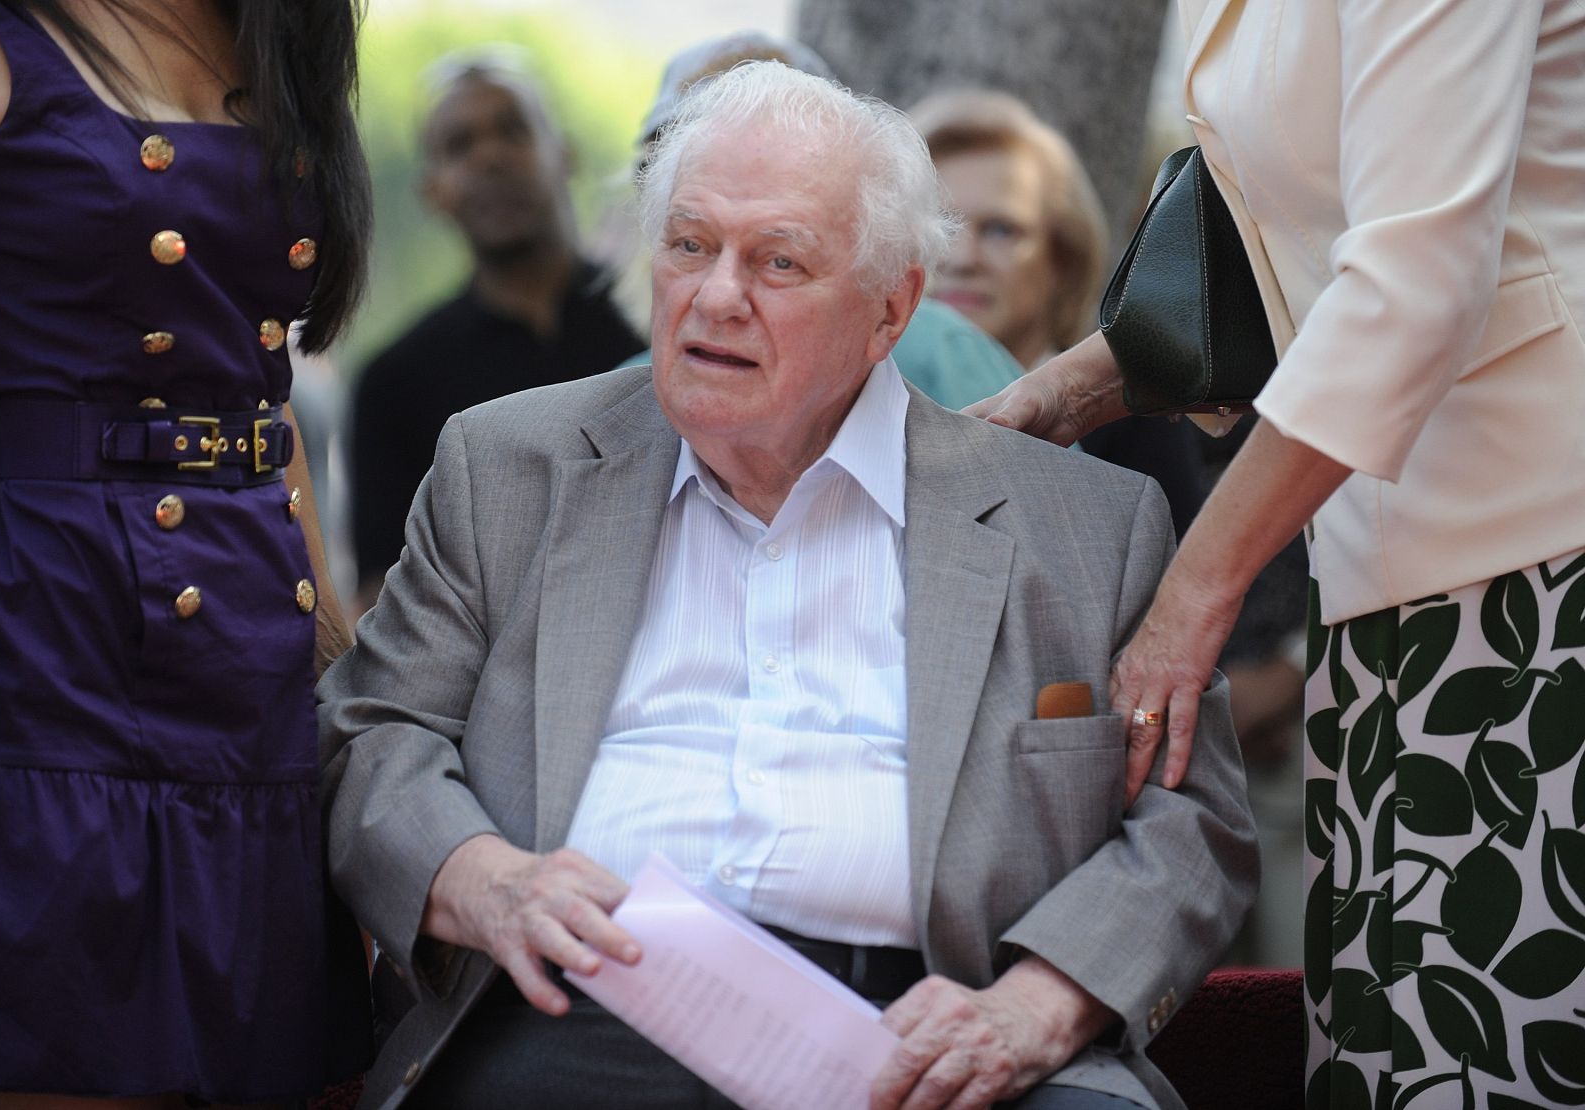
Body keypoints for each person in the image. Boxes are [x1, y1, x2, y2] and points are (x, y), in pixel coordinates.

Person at [320, 61, 1257, 1110]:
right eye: (689, 245)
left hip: (952, 1025)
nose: (715, 296)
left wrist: (1033, 1009)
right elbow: (370, 727)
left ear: (890, 308)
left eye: (777, 262)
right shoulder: (508, 468)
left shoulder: (1078, 523)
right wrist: (481, 879)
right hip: (586, 1011)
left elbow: (1191, 827)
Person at [968, 1, 1585, 1101]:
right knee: (1393, 1040)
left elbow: (1411, 284)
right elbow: (1278, 256)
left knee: (1497, 1048)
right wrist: (1059, 393)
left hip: (1541, 554)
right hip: (1381, 557)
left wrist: (1190, 596)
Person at [0, 0, 370, 1105]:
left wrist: (337, 658)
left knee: (290, 1064)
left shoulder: (284, 40)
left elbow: (264, 398)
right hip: (45, 627)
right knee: (63, 1051)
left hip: (252, 630)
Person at [347, 48, 642, 613]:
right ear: (433, 191)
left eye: (513, 130)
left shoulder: (654, 327)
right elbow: (382, 600)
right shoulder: (395, 381)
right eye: (459, 145)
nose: (490, 158)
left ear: (565, 153)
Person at [605, 30, 1025, 413]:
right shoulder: (619, 397)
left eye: (779, 156)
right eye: (681, 161)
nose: (720, 296)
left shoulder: (942, 351)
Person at [910, 88, 1205, 542]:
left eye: (1000, 230)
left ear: (1063, 259)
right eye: (938, 226)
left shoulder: (1134, 420)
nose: (961, 258)